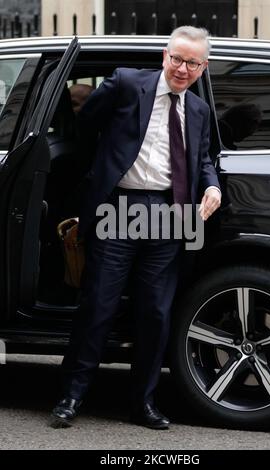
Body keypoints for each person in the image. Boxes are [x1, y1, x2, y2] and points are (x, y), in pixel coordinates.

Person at [51, 26, 221, 430]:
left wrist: (212, 185)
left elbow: (204, 159)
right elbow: (85, 125)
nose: (182, 68)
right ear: (165, 55)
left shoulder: (198, 111)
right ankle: (71, 396)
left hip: (168, 215)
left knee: (156, 314)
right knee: (98, 306)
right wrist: (99, 174)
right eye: (176, 59)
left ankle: (141, 404)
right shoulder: (128, 83)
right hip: (118, 208)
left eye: (192, 63)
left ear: (203, 67)